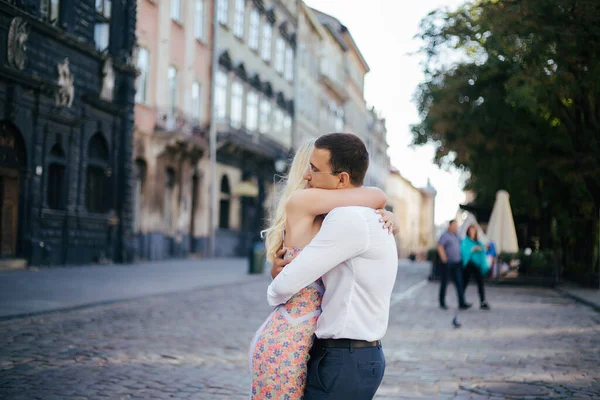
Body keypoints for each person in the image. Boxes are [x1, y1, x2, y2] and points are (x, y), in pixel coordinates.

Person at [249, 136, 397, 400]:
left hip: (308, 342)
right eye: (307, 167)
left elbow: (374, 199)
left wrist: (386, 214)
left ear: (341, 178)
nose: (308, 175)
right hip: (289, 338)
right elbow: (377, 194)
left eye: (315, 169)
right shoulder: (304, 202)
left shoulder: (338, 215)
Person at [437, 220, 471, 310]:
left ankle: (462, 302)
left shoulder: (457, 236)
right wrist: (444, 258)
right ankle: (442, 302)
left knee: (459, 283)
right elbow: (440, 246)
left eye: (457, 225)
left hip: (457, 263)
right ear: (450, 226)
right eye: (454, 225)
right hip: (448, 263)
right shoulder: (445, 235)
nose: (456, 227)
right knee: (444, 283)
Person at [460, 224, 490, 310]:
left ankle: (482, 301)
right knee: (464, 283)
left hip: (477, 266)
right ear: (468, 232)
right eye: (470, 230)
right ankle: (461, 300)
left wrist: (481, 248)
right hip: (469, 265)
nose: (472, 232)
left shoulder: (478, 242)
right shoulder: (465, 241)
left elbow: (482, 253)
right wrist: (472, 249)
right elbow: (463, 251)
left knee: (480, 282)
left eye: (473, 230)